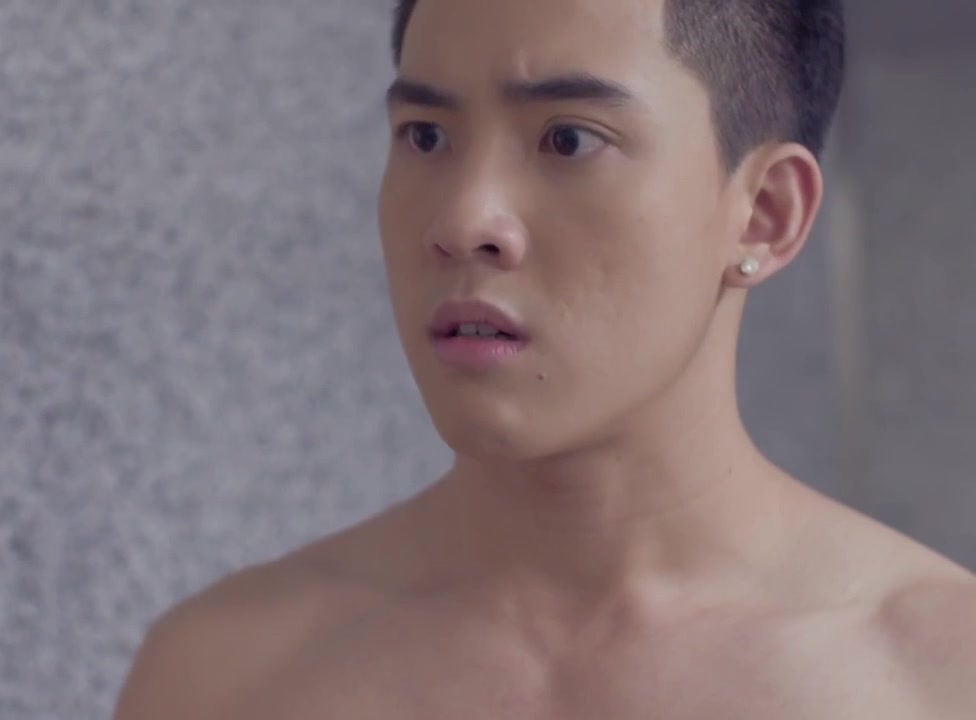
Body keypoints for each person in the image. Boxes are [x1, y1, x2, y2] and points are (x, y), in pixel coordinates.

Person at [115, 0, 976, 716]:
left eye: (568, 139)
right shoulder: (226, 675)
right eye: (425, 136)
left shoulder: (939, 676)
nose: (463, 221)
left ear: (763, 215)